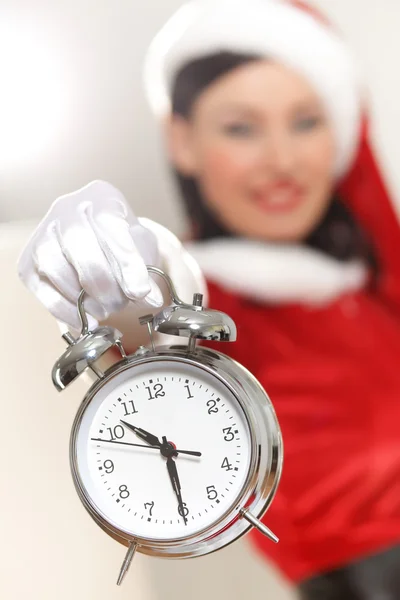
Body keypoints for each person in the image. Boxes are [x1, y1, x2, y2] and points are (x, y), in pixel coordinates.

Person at [17, 0, 400, 597]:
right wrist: (110, 264)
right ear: (182, 138)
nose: (281, 160)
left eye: (306, 122)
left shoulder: (371, 286)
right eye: (241, 127)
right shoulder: (211, 307)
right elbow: (153, 313)